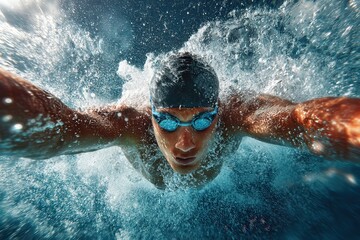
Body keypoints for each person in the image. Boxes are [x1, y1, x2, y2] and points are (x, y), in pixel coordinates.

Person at [0, 52, 359, 189]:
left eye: (202, 121)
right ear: (152, 116)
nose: (184, 143)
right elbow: (59, 130)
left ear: (218, 113)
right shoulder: (131, 123)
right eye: (168, 123)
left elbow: (300, 121)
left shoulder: (237, 114)